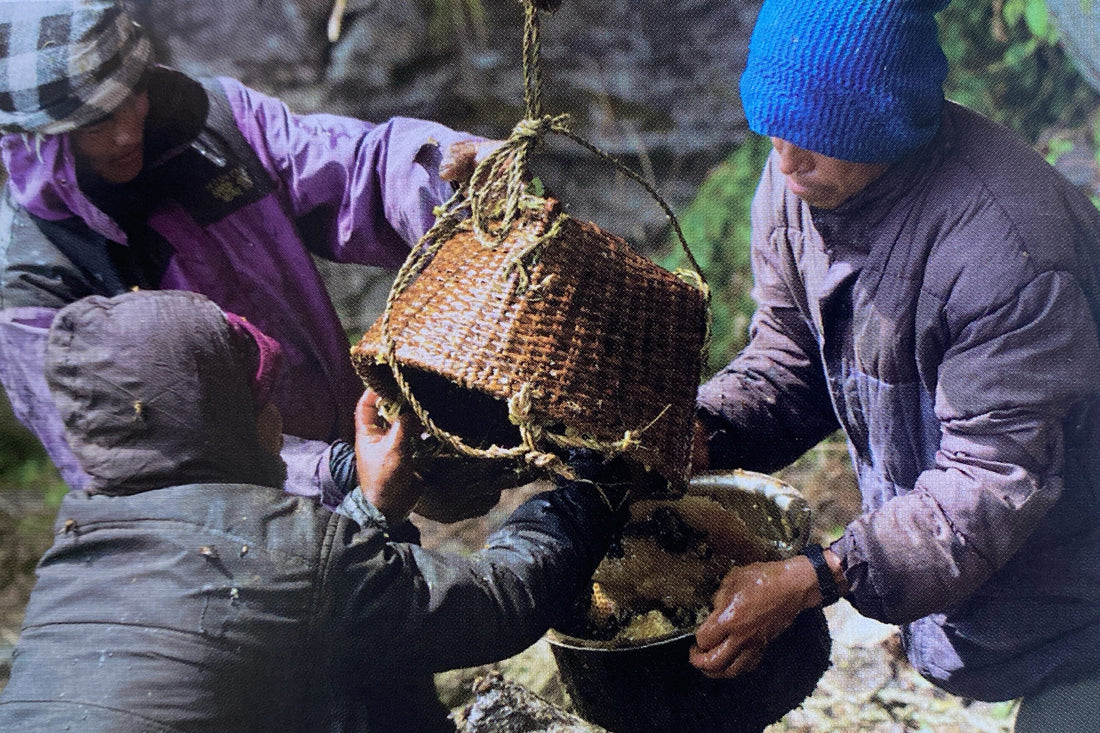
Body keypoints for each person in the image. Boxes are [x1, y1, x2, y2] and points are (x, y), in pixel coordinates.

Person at [686, 0, 1100, 730]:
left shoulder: (1008, 251)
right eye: (773, 129)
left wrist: (818, 575)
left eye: (813, 135)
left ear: (887, 121)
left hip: (1083, 593)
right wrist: (704, 430)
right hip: (997, 581)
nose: (783, 160)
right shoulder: (802, 183)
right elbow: (790, 361)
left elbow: (990, 483)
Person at [0, 289, 632, 732]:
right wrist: (594, 490)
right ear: (227, 424)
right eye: (264, 398)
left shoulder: (75, 554)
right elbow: (500, 600)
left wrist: (372, 508)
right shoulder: (292, 558)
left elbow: (278, 613)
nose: (280, 415)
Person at [0, 0, 487, 507]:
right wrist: (335, 472)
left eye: (132, 94)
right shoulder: (37, 282)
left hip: (352, 448)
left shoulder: (217, 123)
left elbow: (359, 167)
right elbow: (134, 464)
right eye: (95, 122)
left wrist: (451, 178)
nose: (126, 131)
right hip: (229, 533)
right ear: (40, 132)